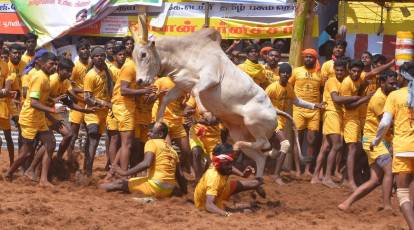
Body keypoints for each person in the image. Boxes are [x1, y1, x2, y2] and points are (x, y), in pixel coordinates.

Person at [24, 58, 95, 178]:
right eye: (67, 71)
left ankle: (56, 159)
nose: (69, 74)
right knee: (47, 143)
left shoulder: (66, 82)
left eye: (70, 71)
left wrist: (83, 110)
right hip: (43, 113)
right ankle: (32, 169)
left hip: (51, 112)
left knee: (68, 135)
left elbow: (68, 102)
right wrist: (53, 117)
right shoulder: (51, 80)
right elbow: (39, 101)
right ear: (59, 70)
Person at [338, 70, 397, 211]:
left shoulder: (387, 96)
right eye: (391, 83)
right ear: (382, 83)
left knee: (375, 180)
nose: (394, 86)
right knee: (389, 171)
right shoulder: (378, 99)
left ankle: (346, 203)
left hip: (379, 141)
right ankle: (387, 206)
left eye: (395, 83)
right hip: (373, 141)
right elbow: (388, 122)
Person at [4, 52, 64, 186]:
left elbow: (41, 95)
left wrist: (52, 100)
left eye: (55, 64)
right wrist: (53, 110)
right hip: (30, 118)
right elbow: (34, 102)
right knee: (26, 153)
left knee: (50, 143)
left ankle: (42, 179)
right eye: (51, 64)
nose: (54, 67)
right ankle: (9, 173)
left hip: (38, 118)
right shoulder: (39, 78)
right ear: (41, 63)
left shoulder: (46, 77)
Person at [371, 62, 414, 228]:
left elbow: (384, 123)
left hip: (403, 148)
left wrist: (376, 141)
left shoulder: (395, 96)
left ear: (402, 76)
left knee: (403, 194)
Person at [265, 63, 324, 184]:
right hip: (272, 120)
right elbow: (261, 102)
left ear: (290, 75)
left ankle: (264, 163)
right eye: (283, 72)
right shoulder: (272, 88)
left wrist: (314, 105)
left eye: (287, 73)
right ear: (279, 74)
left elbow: (297, 101)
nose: (285, 75)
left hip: (281, 120)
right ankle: (276, 175)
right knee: (285, 144)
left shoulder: (289, 88)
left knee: (275, 150)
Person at [99, 122, 187, 198]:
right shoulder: (172, 150)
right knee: (139, 180)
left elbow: (146, 163)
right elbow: (180, 175)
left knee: (120, 183)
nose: (148, 134)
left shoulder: (152, 142)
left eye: (151, 132)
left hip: (155, 186)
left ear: (160, 134)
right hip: (169, 190)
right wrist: (185, 193)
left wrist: (125, 172)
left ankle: (96, 188)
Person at [311, 58, 357, 187]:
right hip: (332, 113)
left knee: (325, 147)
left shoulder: (344, 82)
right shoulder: (332, 81)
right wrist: (355, 98)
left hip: (337, 114)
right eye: (337, 70)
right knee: (337, 145)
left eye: (342, 70)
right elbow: (336, 99)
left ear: (346, 71)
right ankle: (326, 177)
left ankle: (315, 176)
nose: (339, 72)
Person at [194, 143, 263, 216]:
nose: (230, 166)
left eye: (231, 163)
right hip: (208, 202)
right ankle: (235, 206)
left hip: (222, 188)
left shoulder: (220, 165)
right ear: (220, 162)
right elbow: (209, 205)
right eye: (228, 164)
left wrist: (243, 174)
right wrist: (227, 214)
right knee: (244, 211)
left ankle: (235, 205)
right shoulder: (213, 178)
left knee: (255, 183)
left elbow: (230, 167)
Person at [288, 48, 322, 177]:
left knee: (311, 140)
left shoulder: (319, 73)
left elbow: (323, 88)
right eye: (306, 57)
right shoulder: (297, 71)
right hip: (299, 110)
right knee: (298, 139)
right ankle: (298, 169)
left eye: (311, 57)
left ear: (315, 59)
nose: (308, 59)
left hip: (314, 110)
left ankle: (307, 169)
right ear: (304, 58)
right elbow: (288, 86)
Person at [83, 46, 112, 177]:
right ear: (92, 58)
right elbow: (87, 98)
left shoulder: (107, 72)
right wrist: (102, 103)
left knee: (94, 140)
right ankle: (88, 170)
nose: (99, 58)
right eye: (96, 56)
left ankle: (86, 166)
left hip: (104, 113)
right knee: (93, 138)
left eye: (101, 55)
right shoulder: (90, 75)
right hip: (92, 112)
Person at [152, 76, 191, 173]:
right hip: (163, 121)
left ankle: (179, 171)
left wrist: (185, 107)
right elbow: (149, 99)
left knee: (186, 151)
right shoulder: (161, 81)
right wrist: (158, 95)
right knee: (168, 151)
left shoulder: (183, 84)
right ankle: (168, 173)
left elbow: (181, 105)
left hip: (177, 122)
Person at [185, 95, 222, 183]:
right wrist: (189, 112)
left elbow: (213, 121)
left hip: (214, 137)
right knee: (196, 152)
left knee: (216, 165)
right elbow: (186, 110)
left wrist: (197, 120)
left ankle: (204, 174)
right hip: (197, 133)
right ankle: (198, 182)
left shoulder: (219, 98)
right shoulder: (196, 95)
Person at [66, 39, 90, 161]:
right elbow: (70, 87)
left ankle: (87, 160)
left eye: (87, 48)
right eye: (82, 49)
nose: (85, 51)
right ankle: (69, 158)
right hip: (78, 103)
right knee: (73, 134)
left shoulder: (92, 65)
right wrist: (84, 91)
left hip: (90, 104)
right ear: (78, 51)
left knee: (91, 133)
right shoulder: (75, 67)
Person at [5, 43, 27, 148]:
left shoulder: (24, 64)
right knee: (8, 133)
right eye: (14, 53)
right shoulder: (6, 66)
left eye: (19, 53)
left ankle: (21, 154)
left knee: (21, 127)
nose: (17, 55)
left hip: (21, 99)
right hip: (6, 100)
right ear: (9, 54)